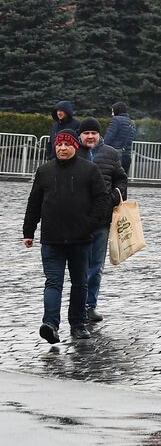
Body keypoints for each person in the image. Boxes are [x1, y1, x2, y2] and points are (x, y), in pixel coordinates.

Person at [23, 130, 108, 343]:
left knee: (80, 283)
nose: (62, 148)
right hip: (52, 239)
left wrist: (91, 224)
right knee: (53, 282)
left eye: (66, 145)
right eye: (58, 144)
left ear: (74, 147)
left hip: (81, 239)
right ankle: (50, 324)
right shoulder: (44, 171)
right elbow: (34, 202)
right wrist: (28, 231)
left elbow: (101, 199)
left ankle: (77, 324)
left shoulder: (89, 170)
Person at [77, 118, 127, 325]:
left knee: (96, 266)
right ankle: (76, 305)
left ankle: (90, 306)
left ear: (99, 135)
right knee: (78, 265)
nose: (90, 136)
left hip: (101, 219)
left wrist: (115, 196)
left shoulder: (111, 153)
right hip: (77, 219)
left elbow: (121, 179)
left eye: (93, 133)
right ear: (80, 135)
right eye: (86, 132)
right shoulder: (71, 151)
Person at [104, 102, 138, 176]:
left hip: (115, 155)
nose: (112, 114)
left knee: (111, 178)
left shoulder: (116, 120)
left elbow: (109, 137)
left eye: (113, 111)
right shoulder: (132, 122)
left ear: (117, 110)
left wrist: (102, 149)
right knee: (122, 179)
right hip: (127, 156)